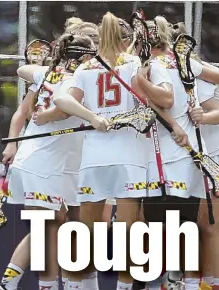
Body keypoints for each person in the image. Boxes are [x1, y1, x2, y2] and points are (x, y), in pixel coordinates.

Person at [52, 12, 150, 290]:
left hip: (94, 157)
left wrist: (93, 117)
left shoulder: (84, 69)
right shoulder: (134, 63)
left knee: (87, 233)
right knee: (130, 233)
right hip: (130, 157)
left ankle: (77, 287)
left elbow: (61, 99)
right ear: (125, 40)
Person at [135, 16, 219, 290]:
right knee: (181, 222)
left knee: (162, 222)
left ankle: (176, 281)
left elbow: (164, 99)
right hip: (188, 155)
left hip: (171, 154)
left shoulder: (157, 65)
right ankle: (180, 281)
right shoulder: (181, 63)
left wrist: (141, 81)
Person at [0, 33, 95, 290]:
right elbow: (63, 109)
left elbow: (23, 69)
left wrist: (45, 64)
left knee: (50, 228)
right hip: (44, 165)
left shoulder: (48, 74)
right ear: (84, 56)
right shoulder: (76, 79)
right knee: (47, 229)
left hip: (47, 163)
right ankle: (12, 285)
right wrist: (49, 115)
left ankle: (26, 284)